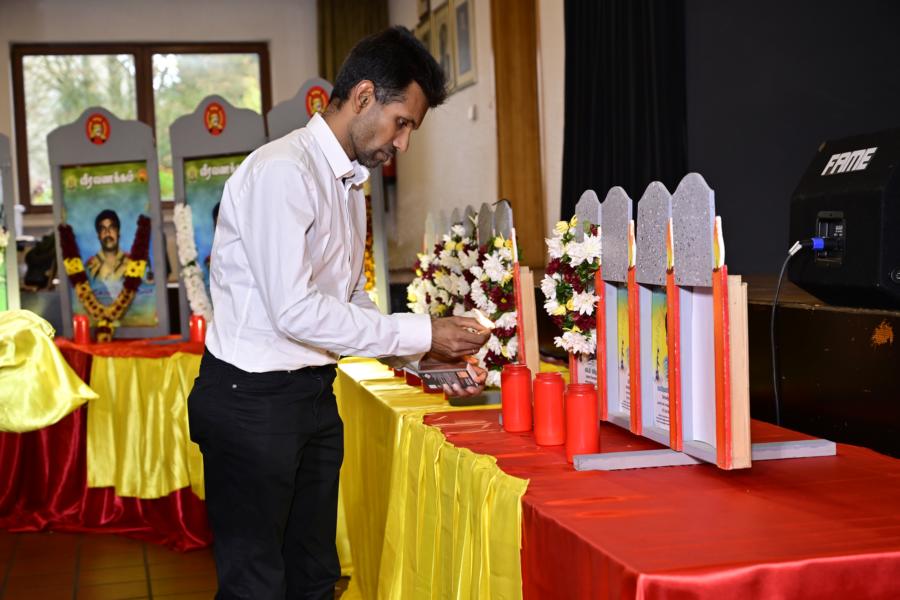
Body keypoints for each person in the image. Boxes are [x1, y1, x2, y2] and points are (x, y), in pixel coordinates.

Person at [187, 26, 489, 600]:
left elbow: (346, 295)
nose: (403, 143)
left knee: (315, 577)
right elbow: (295, 311)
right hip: (251, 400)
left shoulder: (349, 184)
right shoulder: (284, 170)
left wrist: (422, 356)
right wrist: (422, 330)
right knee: (256, 586)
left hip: (311, 395)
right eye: (402, 123)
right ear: (364, 95)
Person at [86, 209, 127, 287]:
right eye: (103, 229)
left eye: (111, 228)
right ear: (98, 235)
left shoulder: (133, 263)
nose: (107, 233)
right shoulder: (89, 268)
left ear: (118, 232)